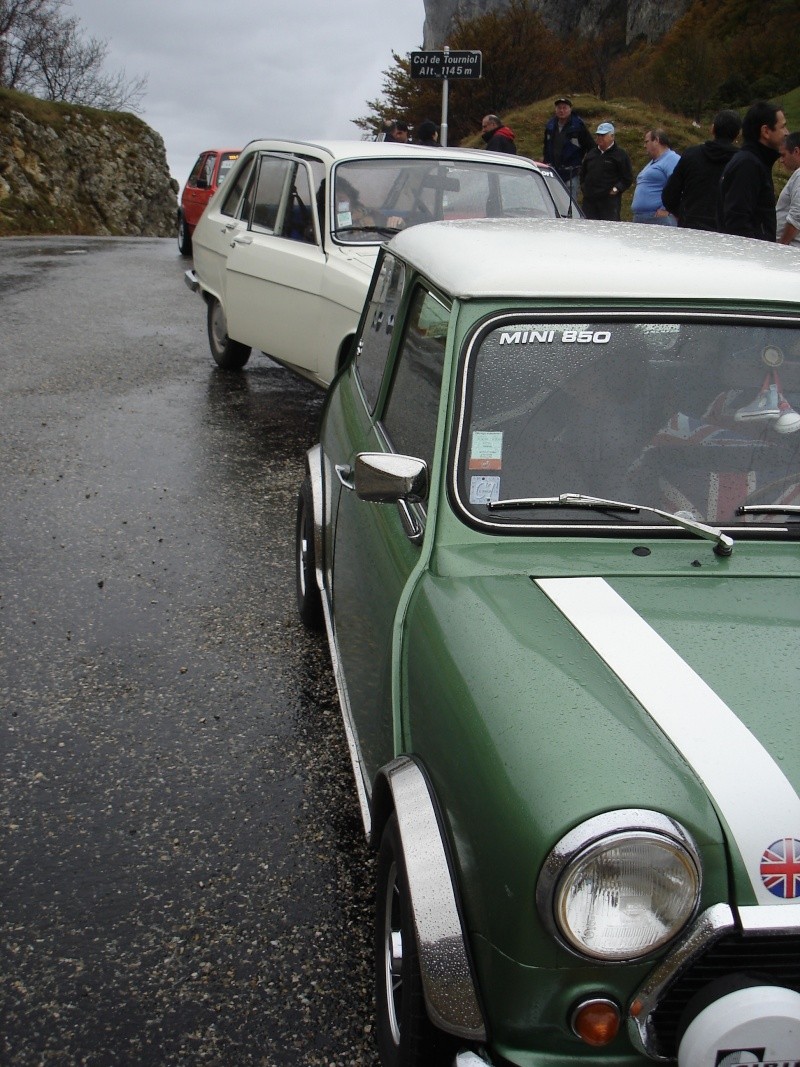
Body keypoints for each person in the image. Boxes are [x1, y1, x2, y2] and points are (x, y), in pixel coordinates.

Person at [718, 100, 787, 240]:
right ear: (766, 131)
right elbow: (738, 221)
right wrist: (756, 258)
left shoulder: (756, 162)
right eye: (782, 127)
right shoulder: (748, 165)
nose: (787, 133)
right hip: (750, 257)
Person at [662, 109, 741, 231]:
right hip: (726, 233)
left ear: (712, 129)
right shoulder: (742, 162)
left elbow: (669, 195)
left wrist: (683, 214)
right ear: (738, 134)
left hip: (691, 227)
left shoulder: (691, 155)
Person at [542, 97, 594, 199]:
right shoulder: (550, 126)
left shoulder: (578, 126)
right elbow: (546, 146)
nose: (561, 111)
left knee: (569, 203)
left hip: (571, 172)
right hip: (553, 171)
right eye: (559, 108)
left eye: (564, 108)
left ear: (570, 109)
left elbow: (591, 147)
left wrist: (584, 166)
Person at [579, 122, 633, 221]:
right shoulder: (591, 153)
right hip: (589, 202)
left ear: (612, 136)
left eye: (603, 135)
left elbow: (627, 178)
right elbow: (583, 173)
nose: (600, 137)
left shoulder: (620, 155)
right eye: (598, 135)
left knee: (608, 230)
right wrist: (584, 188)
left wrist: (616, 189)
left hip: (609, 203)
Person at [631, 129, 680, 225]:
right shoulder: (652, 162)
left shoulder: (671, 159)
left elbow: (678, 185)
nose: (645, 146)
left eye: (647, 142)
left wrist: (667, 209)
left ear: (656, 140)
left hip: (657, 218)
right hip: (641, 218)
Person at [776, 132, 800, 247]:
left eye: (783, 155)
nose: (781, 160)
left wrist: (781, 245)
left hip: (791, 248)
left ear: (796, 151)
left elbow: (797, 216)